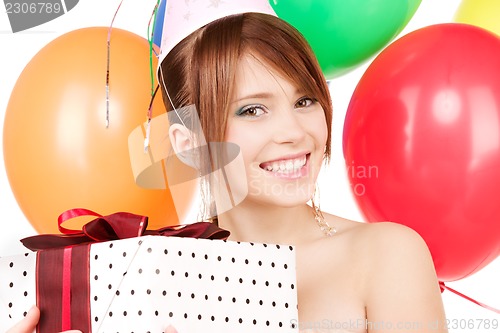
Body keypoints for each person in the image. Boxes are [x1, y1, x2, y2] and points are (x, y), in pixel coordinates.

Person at [8, 1, 448, 333]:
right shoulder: (155, 278)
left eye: (304, 100)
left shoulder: (387, 254)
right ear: (188, 144)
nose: (294, 132)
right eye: (253, 110)